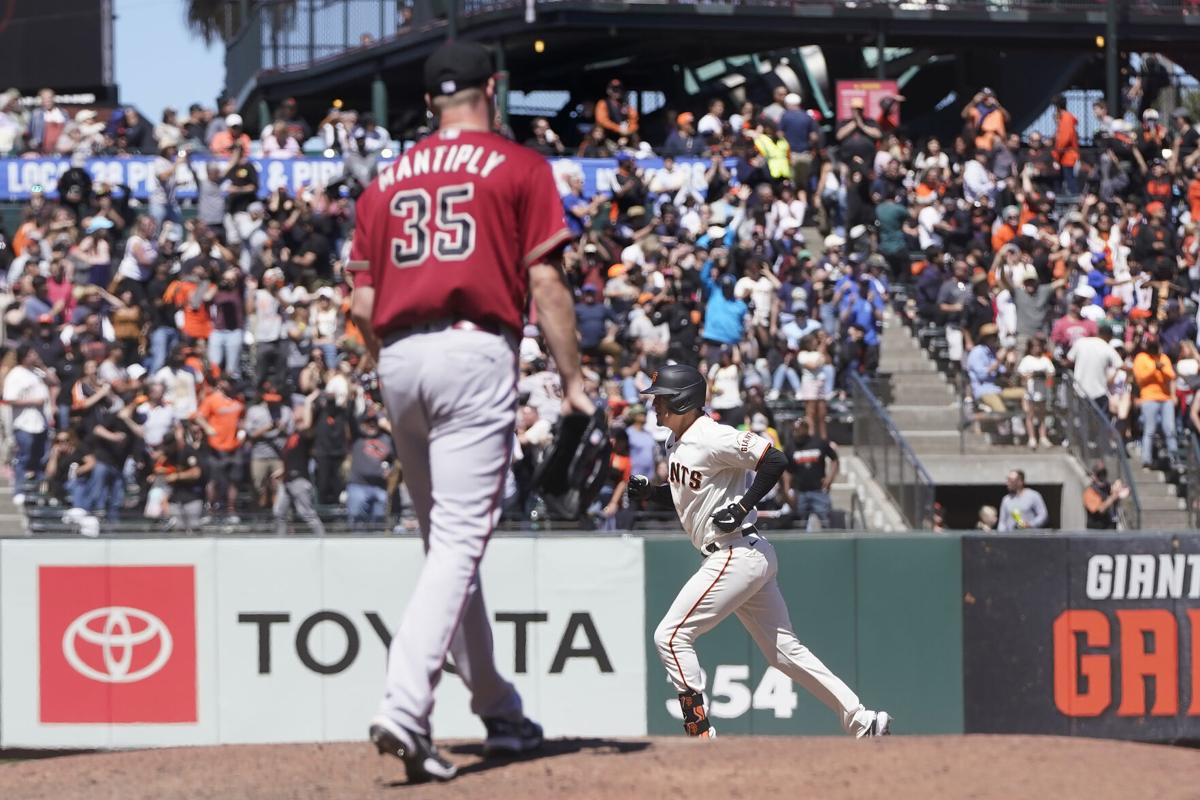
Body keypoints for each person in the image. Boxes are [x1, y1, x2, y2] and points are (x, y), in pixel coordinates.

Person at [349, 41, 592, 782]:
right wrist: (573, 379)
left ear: (428, 104)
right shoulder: (519, 166)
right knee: (458, 545)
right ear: (493, 88)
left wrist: (394, 363)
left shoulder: (384, 180)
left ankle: (498, 709)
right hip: (472, 350)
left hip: (396, 355)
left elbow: (360, 301)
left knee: (448, 549)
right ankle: (404, 705)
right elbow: (545, 279)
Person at [628, 364, 890, 740]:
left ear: (683, 401)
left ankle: (700, 734)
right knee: (784, 653)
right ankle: (862, 719)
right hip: (743, 554)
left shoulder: (712, 436)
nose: (654, 407)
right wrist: (651, 491)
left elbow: (775, 459)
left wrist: (744, 504)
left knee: (670, 636)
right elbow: (693, 497)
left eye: (661, 400)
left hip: (735, 552)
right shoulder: (676, 442)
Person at [782, 417, 838, 531]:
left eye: (798, 429)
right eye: (794, 429)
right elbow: (786, 470)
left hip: (819, 491)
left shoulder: (819, 442)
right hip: (800, 492)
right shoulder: (790, 447)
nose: (796, 432)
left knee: (826, 523)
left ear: (806, 429)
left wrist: (829, 478)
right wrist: (787, 489)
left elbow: (834, 459)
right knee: (800, 525)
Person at [1083, 461, 1128, 530]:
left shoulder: (1108, 487)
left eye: (1104, 473)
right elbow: (1100, 509)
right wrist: (1114, 496)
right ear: (1093, 476)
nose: (1102, 477)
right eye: (1099, 474)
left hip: (1110, 527)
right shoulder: (1089, 492)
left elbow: (1119, 493)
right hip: (1096, 531)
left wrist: (1121, 490)